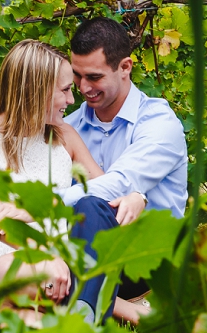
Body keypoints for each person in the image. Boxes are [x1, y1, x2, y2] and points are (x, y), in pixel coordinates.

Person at [0, 39, 142, 323]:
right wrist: (43, 255)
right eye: (65, 90)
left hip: (72, 259)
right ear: (35, 91)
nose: (72, 100)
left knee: (18, 308)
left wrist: (135, 196)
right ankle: (113, 308)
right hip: (19, 262)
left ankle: (73, 311)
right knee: (4, 272)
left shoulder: (64, 135)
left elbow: (103, 194)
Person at [60, 17, 190, 303]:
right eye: (77, 76)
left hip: (147, 263)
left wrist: (45, 202)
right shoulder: (69, 128)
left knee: (90, 204)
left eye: (94, 77)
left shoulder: (159, 124)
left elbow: (118, 183)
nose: (83, 87)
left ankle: (86, 308)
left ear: (125, 68)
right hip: (85, 254)